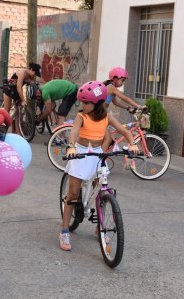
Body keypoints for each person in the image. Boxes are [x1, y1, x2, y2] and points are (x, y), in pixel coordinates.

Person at [59, 81, 139, 251]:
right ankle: (65, 230)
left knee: (100, 190)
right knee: (73, 194)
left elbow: (124, 131)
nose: (83, 105)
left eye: (86, 102)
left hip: (97, 154)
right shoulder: (82, 116)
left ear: (98, 103)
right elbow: (73, 131)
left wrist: (132, 143)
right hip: (80, 153)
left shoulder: (106, 116)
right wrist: (71, 146)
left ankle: (100, 227)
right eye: (81, 102)